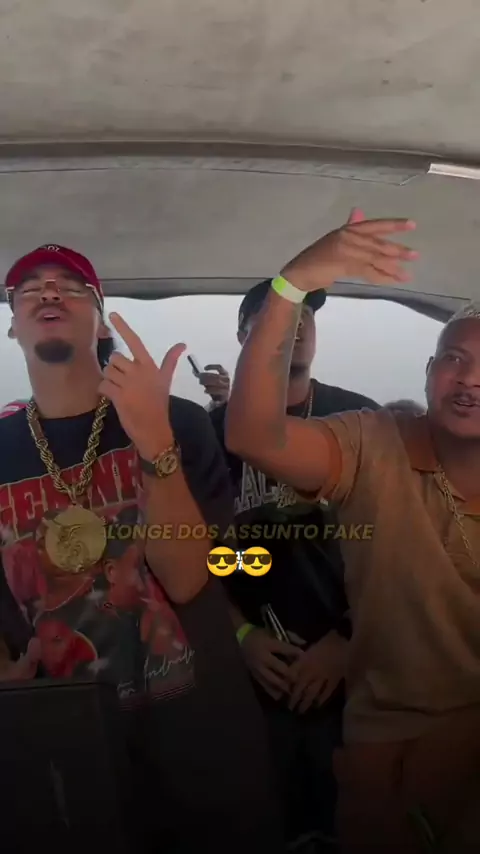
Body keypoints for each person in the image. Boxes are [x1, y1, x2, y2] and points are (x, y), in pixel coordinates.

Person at [0, 244, 284, 853]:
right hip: (67, 745)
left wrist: (154, 442)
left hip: (201, 735)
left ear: (101, 321)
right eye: (29, 289)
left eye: (71, 286)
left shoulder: (176, 420)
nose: (49, 292)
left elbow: (188, 578)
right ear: (12, 325)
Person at [226, 209, 480, 852]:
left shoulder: (350, 408)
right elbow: (249, 442)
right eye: (454, 358)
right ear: (428, 370)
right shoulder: (374, 440)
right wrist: (292, 283)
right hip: (376, 747)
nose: (470, 377)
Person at [210, 279, 378, 844]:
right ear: (244, 337)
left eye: (307, 313)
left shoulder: (360, 418)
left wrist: (348, 638)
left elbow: (400, 547)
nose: (298, 322)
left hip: (356, 676)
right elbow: (192, 552)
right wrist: (240, 636)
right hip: (253, 681)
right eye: (277, 314)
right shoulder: (209, 433)